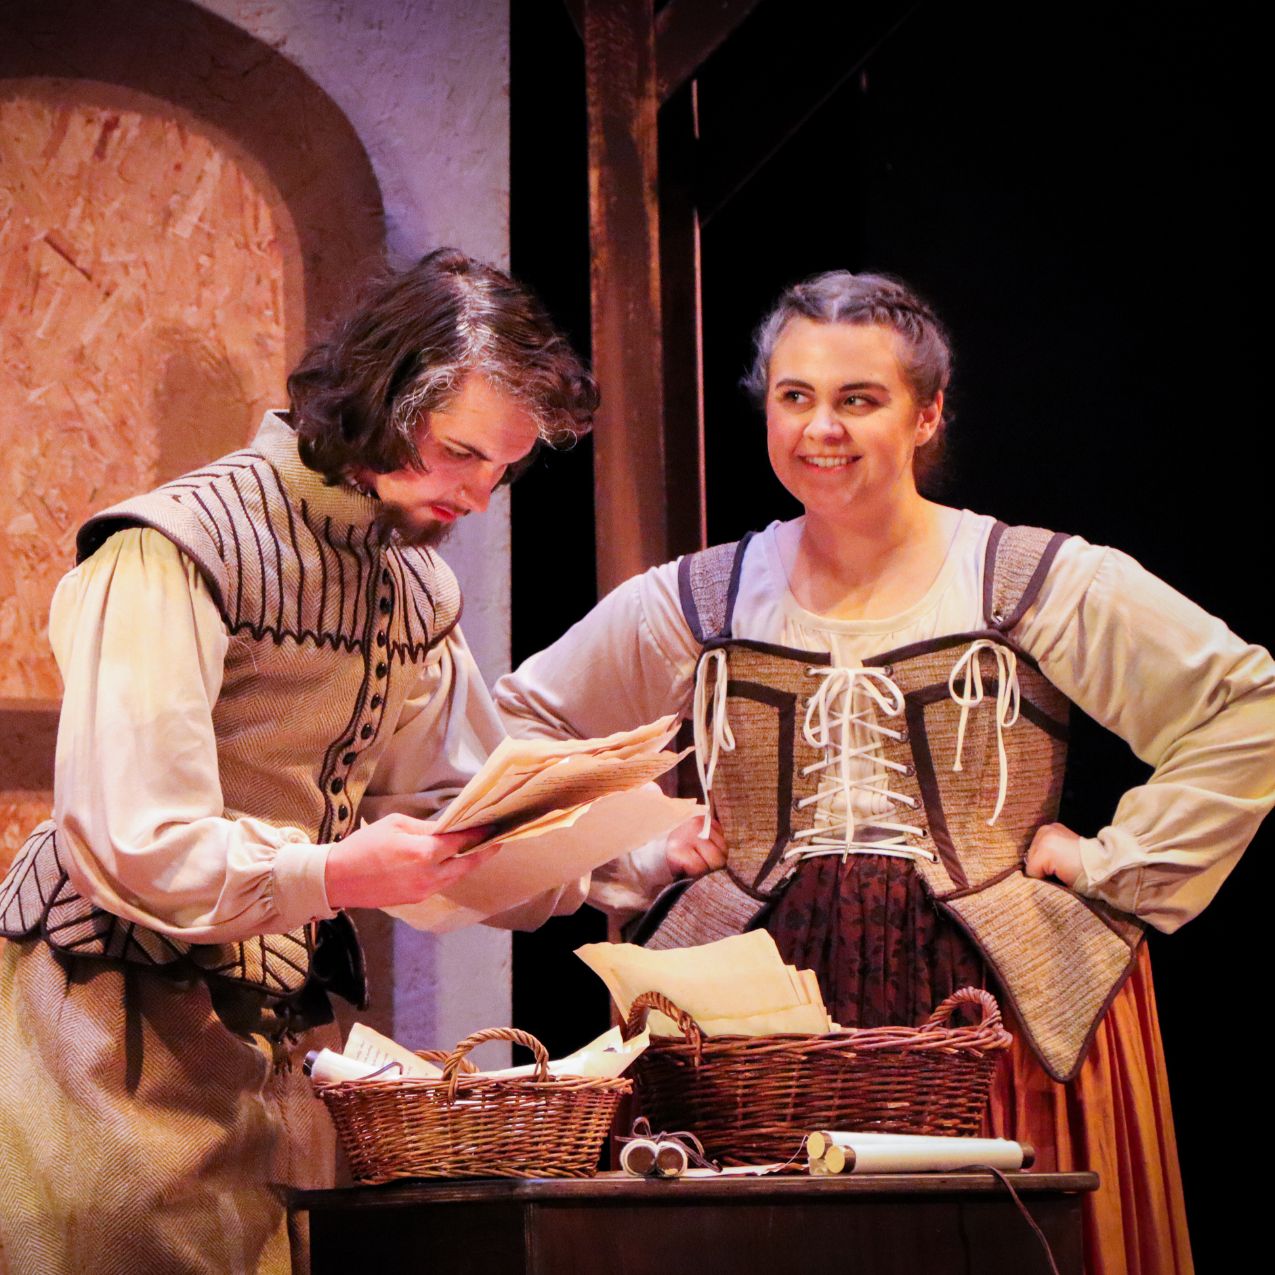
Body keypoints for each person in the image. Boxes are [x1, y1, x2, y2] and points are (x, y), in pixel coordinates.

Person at [494, 270, 1275, 1275]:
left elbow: (1240, 703)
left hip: (994, 1017)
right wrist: (639, 852)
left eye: (858, 399)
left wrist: (1117, 861)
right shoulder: (704, 596)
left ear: (927, 414)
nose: (822, 427)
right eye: (795, 397)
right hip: (754, 1031)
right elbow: (523, 728)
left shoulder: (1026, 579)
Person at [0, 248, 598, 1275]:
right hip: (106, 1025)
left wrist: (624, 851)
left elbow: (461, 800)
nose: (481, 495)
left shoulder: (409, 587)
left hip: (264, 1046)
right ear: (379, 401)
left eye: (503, 467)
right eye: (461, 452)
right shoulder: (175, 548)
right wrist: (338, 873)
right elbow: (134, 838)